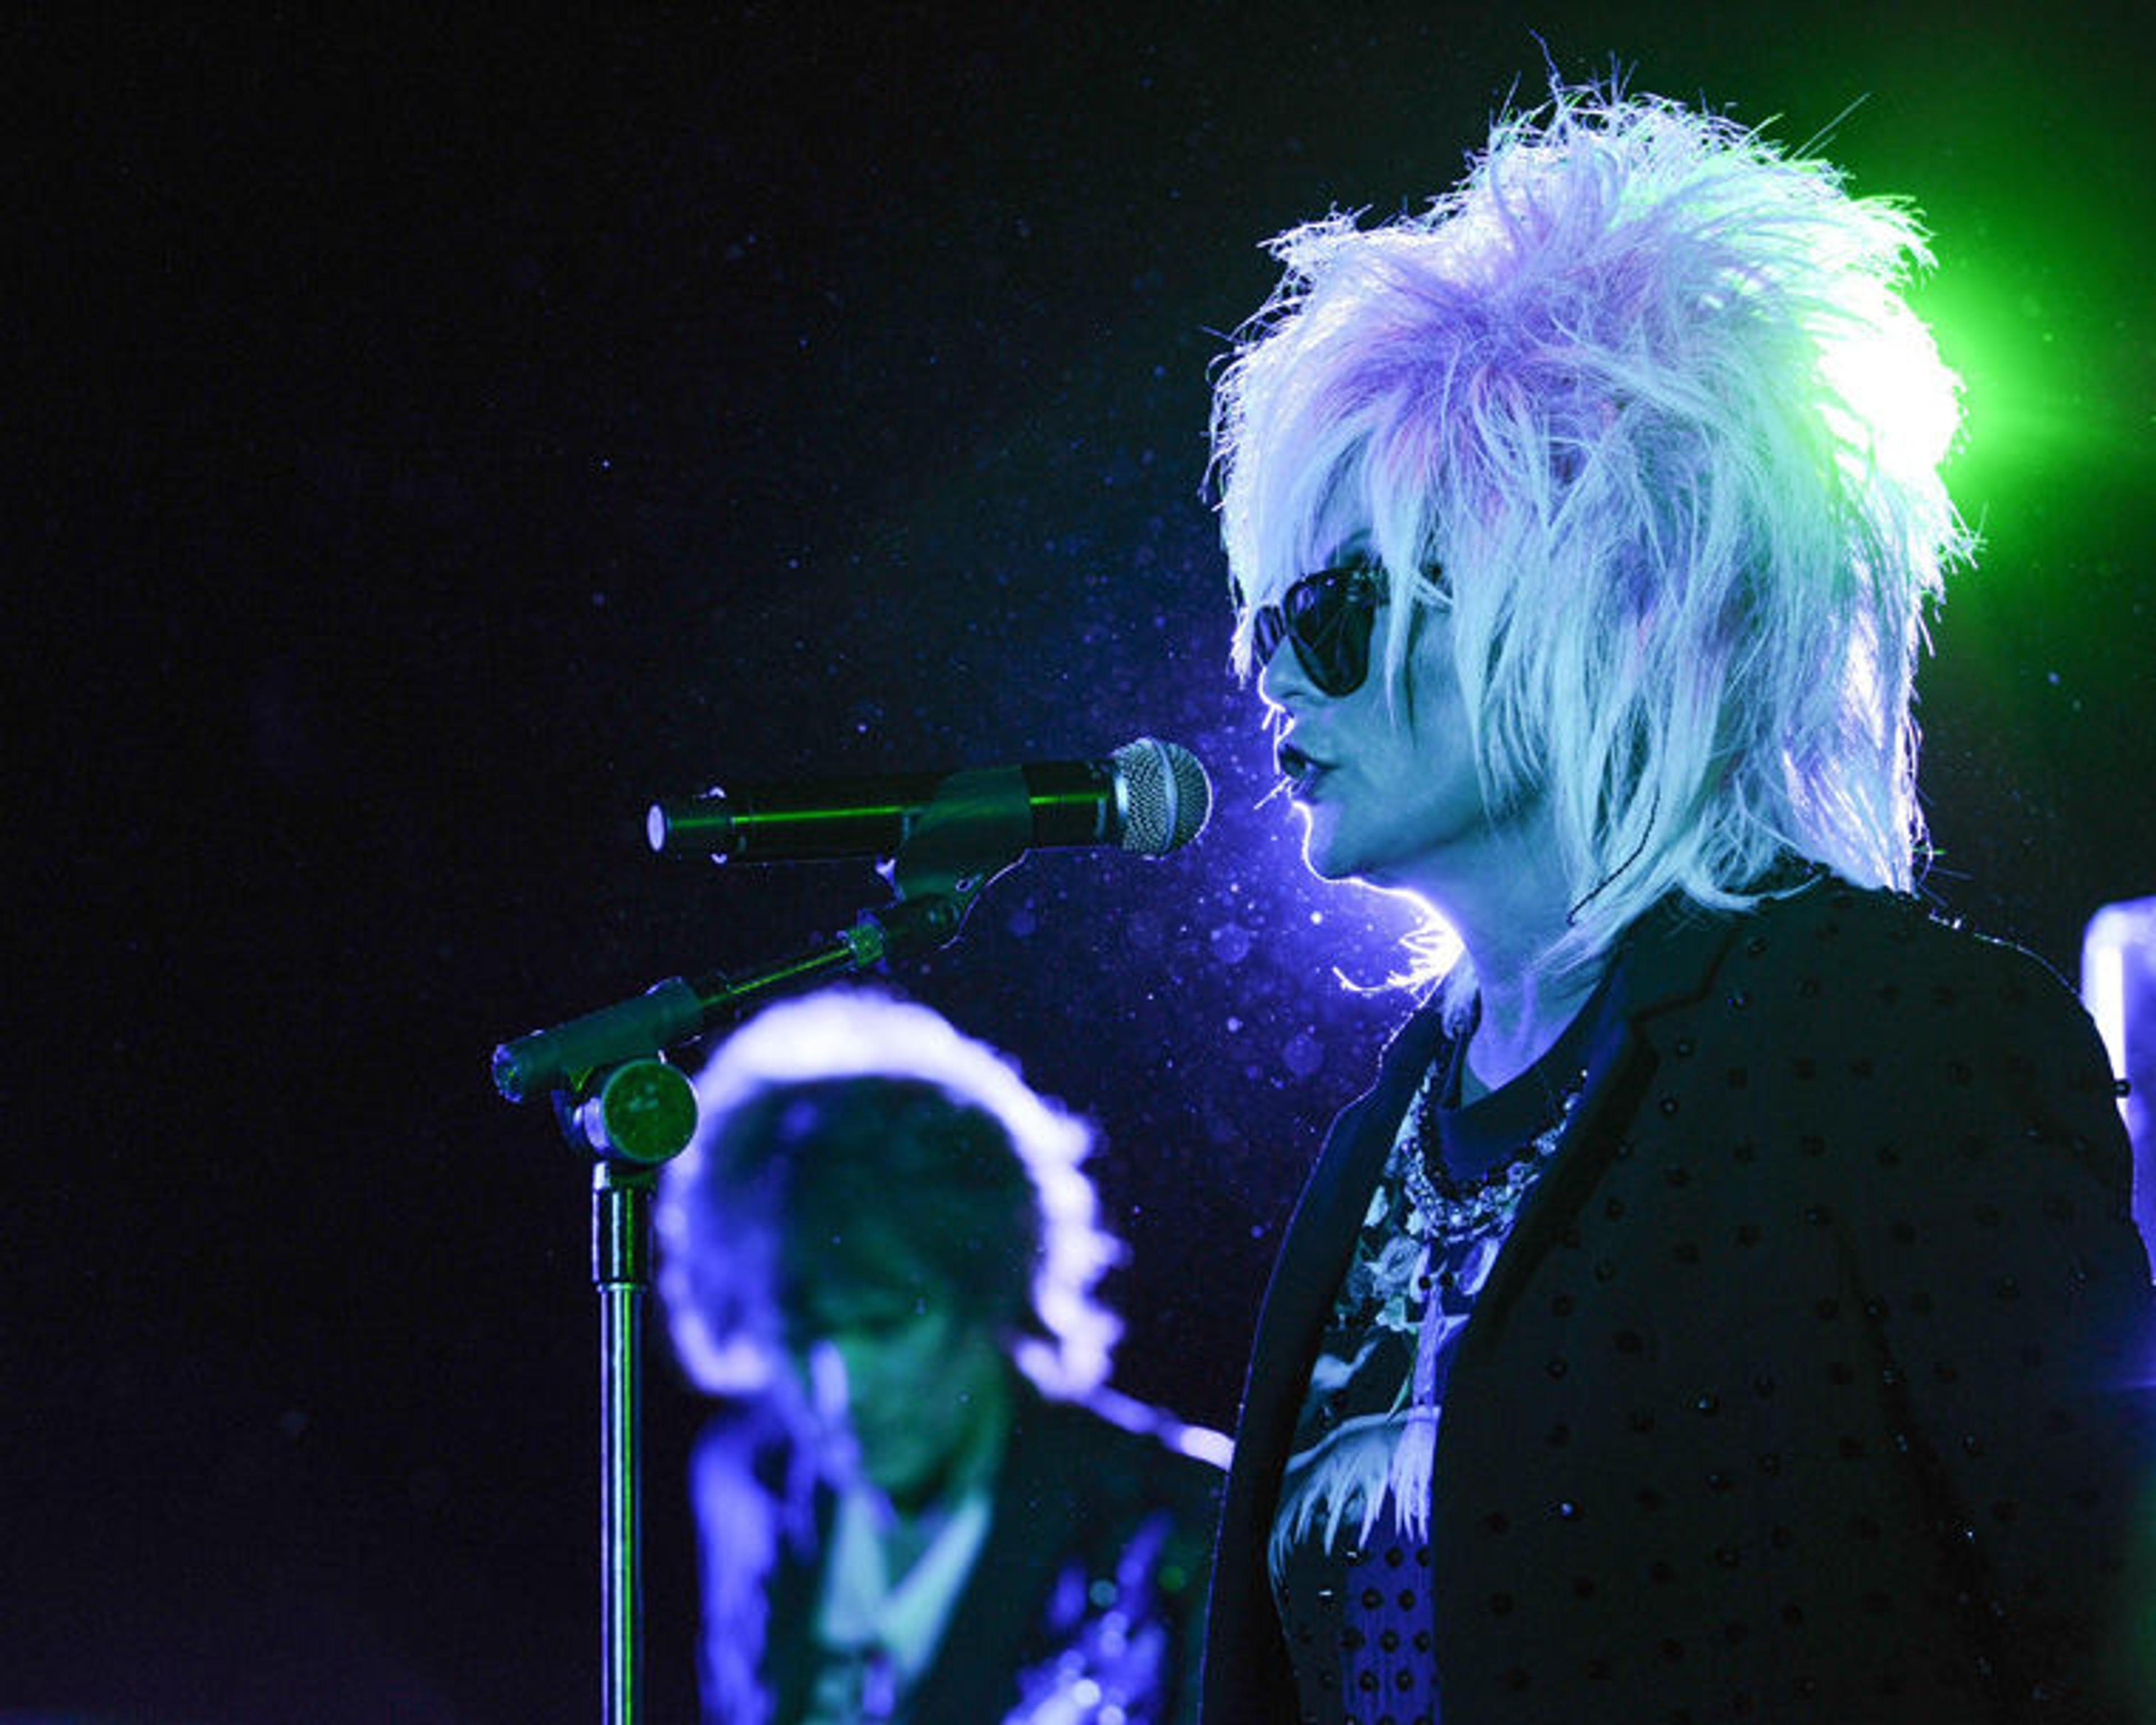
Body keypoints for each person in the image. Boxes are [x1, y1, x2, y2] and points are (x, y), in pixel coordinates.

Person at [1197, 83, 2154, 1722]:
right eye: (1263, 619)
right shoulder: (1390, 1137)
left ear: (1574, 600)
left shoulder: (1888, 1040)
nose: (1274, 670)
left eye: (1335, 607)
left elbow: (2111, 1631)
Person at [655, 986, 1226, 1725]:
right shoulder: (745, 1476)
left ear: (990, 1291)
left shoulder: (1178, 1522)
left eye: (886, 1324)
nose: (842, 1390)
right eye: (799, 1335)